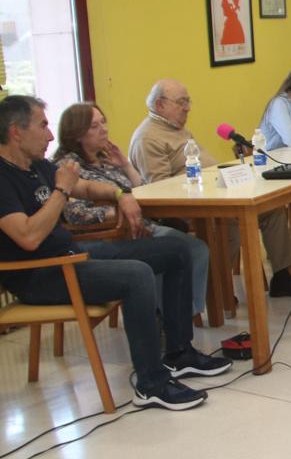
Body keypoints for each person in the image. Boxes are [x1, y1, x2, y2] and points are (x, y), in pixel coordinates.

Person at [0, 95, 229, 410]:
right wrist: (61, 190)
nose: (50, 135)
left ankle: (179, 353)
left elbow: (86, 188)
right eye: (42, 126)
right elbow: (27, 236)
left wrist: (120, 194)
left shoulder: (36, 164)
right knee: (136, 276)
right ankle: (151, 383)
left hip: (73, 254)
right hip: (42, 274)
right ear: (16, 132)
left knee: (177, 249)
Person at [130, 78, 291, 298]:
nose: (187, 107)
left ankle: (282, 277)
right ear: (160, 105)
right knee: (229, 222)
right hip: (189, 209)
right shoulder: (148, 138)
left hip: (216, 195)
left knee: (271, 209)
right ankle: (217, 289)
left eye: (188, 101)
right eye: (181, 102)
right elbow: (159, 189)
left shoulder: (178, 129)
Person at [53, 102, 211, 317]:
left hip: (140, 226)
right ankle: (172, 318)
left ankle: (183, 316)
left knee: (196, 248)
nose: (104, 129)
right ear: (76, 134)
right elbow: (77, 214)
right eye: (94, 126)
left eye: (103, 122)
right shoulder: (68, 167)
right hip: (111, 236)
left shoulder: (106, 159)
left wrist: (125, 165)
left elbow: (145, 193)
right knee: (182, 250)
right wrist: (123, 216)